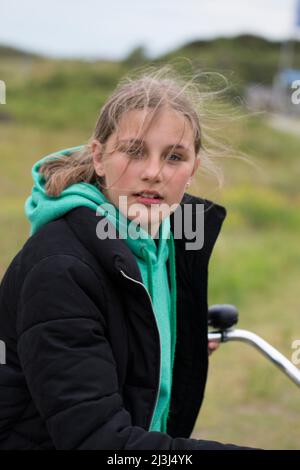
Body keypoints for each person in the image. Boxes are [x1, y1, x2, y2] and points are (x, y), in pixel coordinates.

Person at [0, 67, 252, 450]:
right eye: (134, 152)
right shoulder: (60, 267)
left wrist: (163, 341)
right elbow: (98, 442)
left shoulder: (167, 239)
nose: (153, 172)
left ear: (193, 169)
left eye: (174, 157)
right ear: (99, 158)